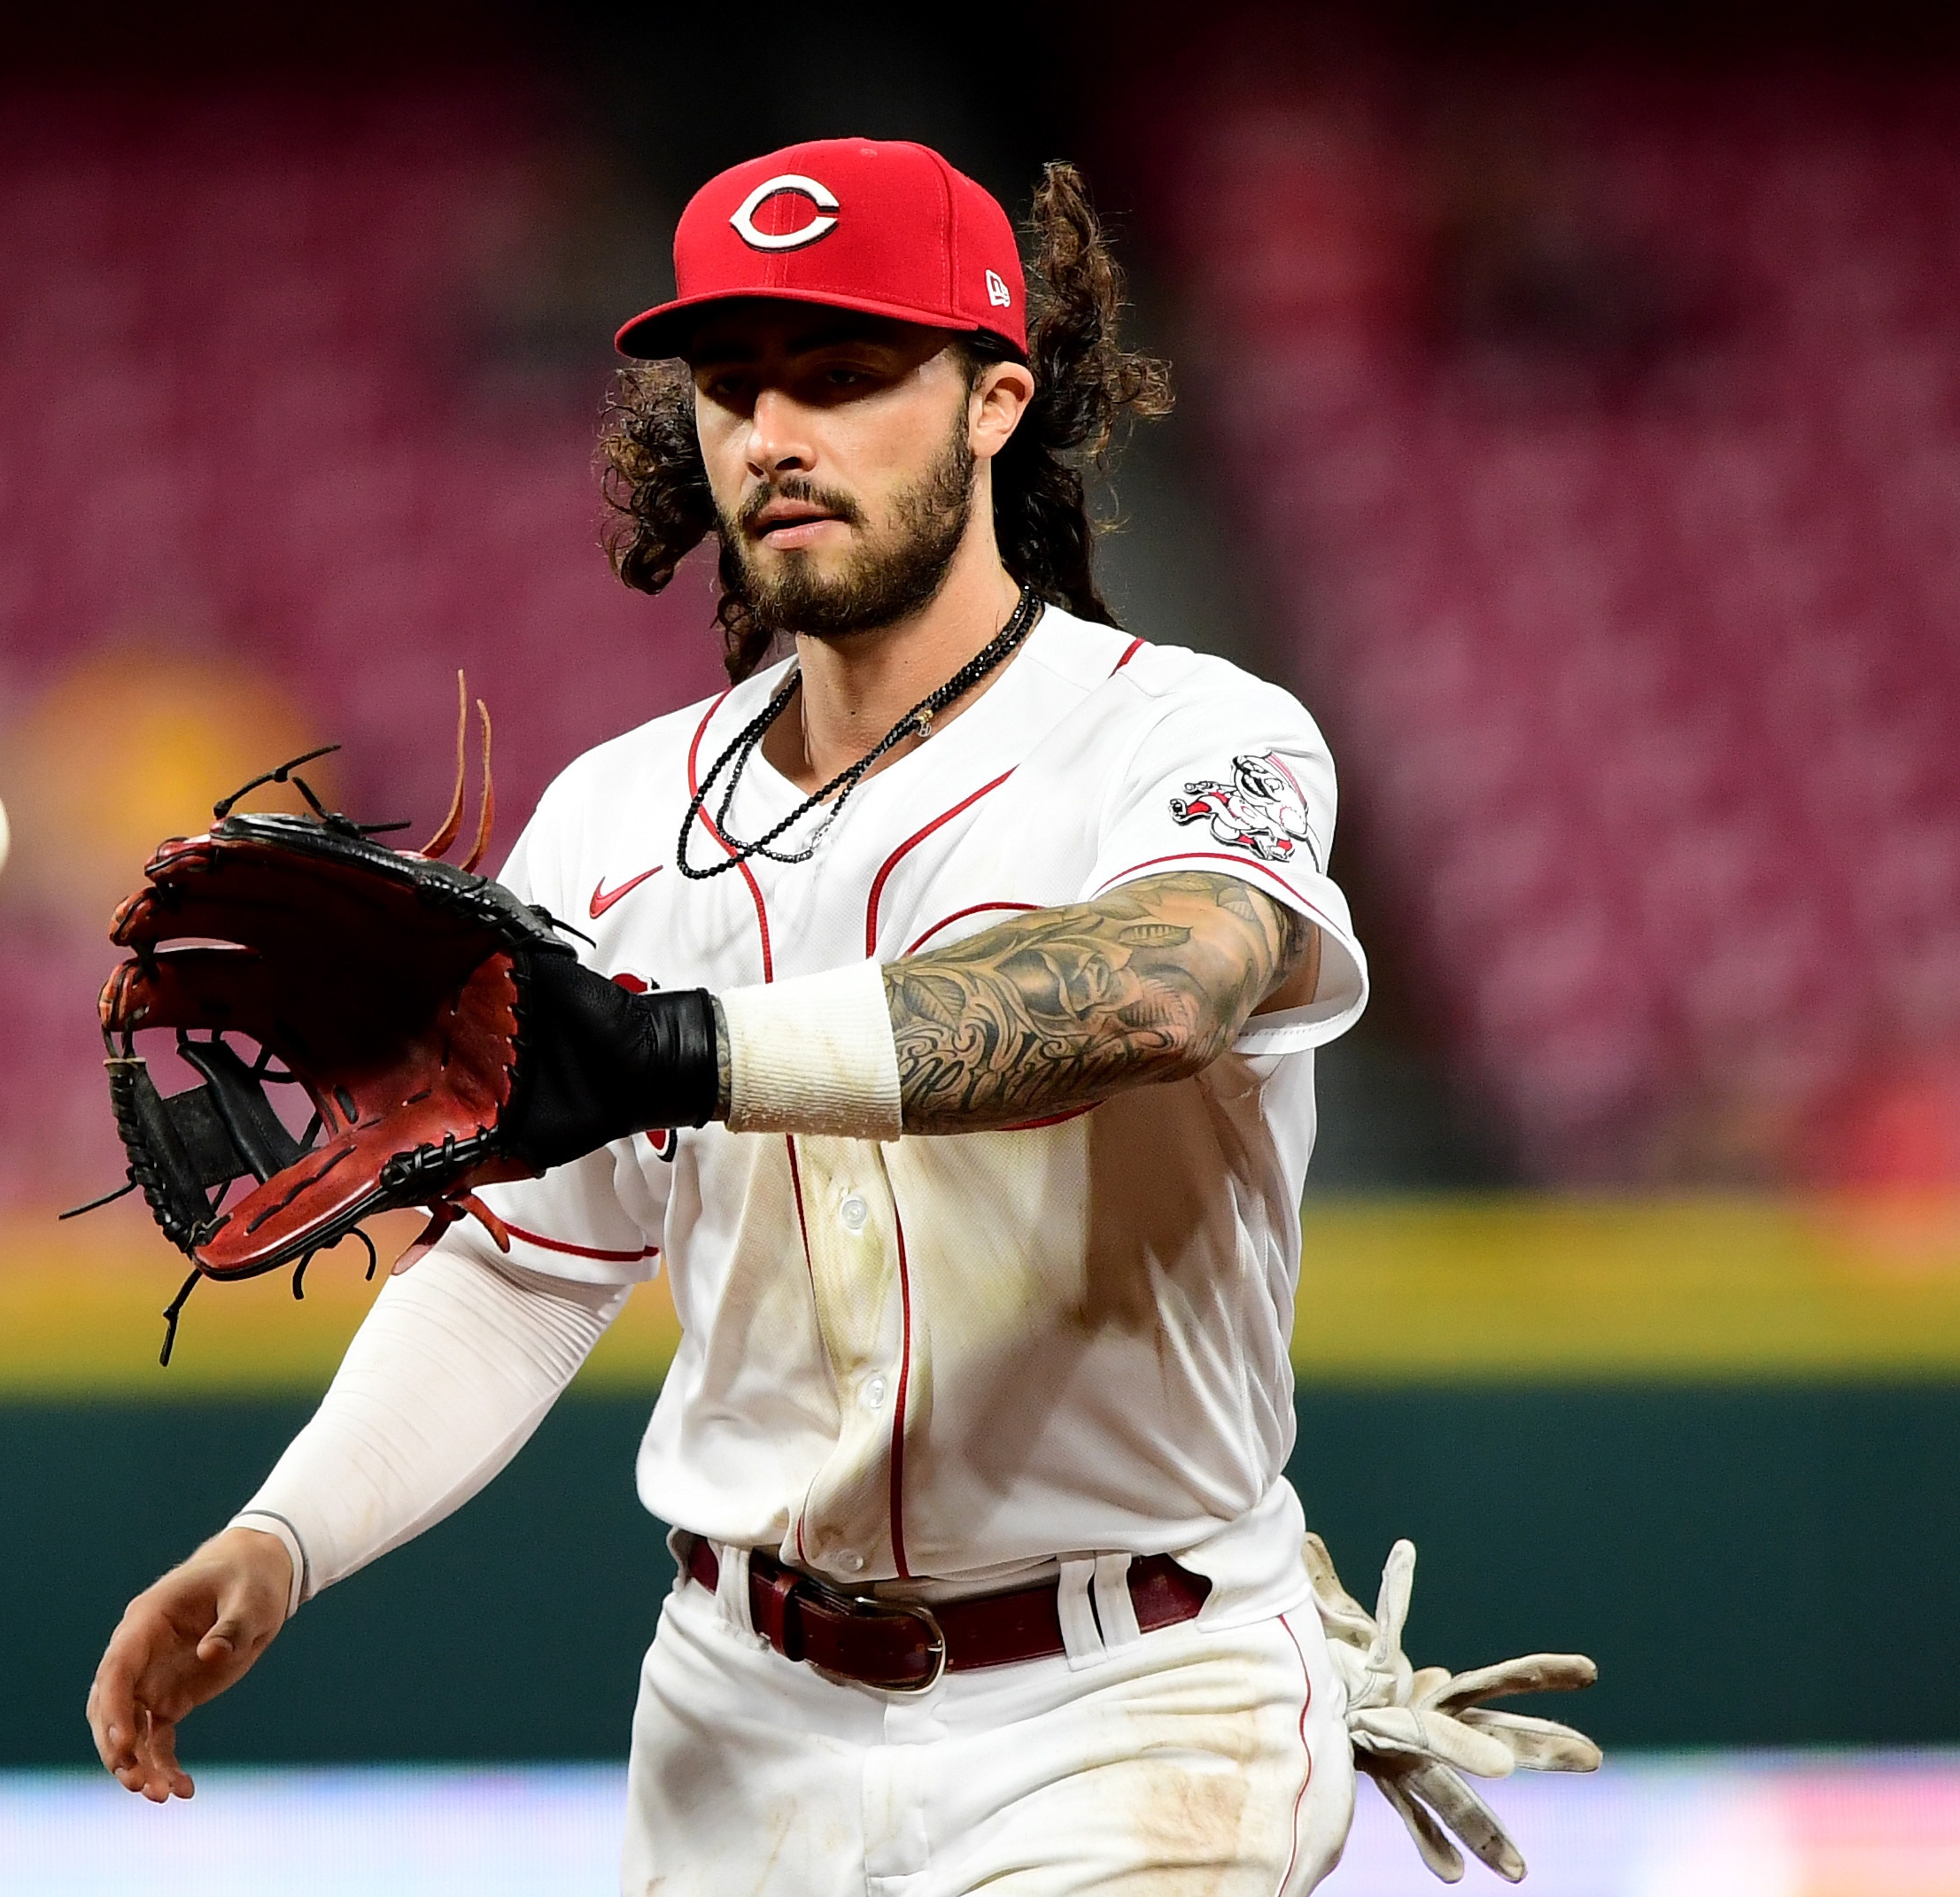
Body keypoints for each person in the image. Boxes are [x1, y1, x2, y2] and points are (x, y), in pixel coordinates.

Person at [92, 139, 1387, 1893]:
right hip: (737, 1718)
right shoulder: (621, 819)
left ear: (996, 399)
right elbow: (530, 1266)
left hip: (1133, 1702)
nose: (777, 428)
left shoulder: (1183, 735)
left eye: (846, 375)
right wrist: (283, 1534)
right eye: (733, 383)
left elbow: (1165, 984)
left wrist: (684, 1050)